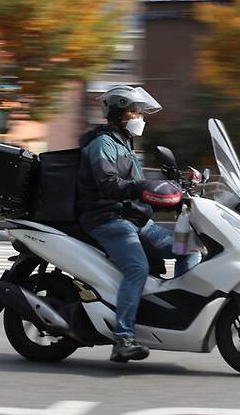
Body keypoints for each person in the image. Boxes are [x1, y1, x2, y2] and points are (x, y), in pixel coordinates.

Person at [77, 85, 201, 363]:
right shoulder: (102, 143)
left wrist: (178, 182)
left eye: (141, 112)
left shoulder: (123, 142)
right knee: (137, 267)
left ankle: (178, 308)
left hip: (134, 220)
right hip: (108, 220)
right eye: (135, 111)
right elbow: (110, 184)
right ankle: (123, 338)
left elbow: (137, 181)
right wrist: (143, 188)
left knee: (189, 248)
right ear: (119, 113)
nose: (141, 117)